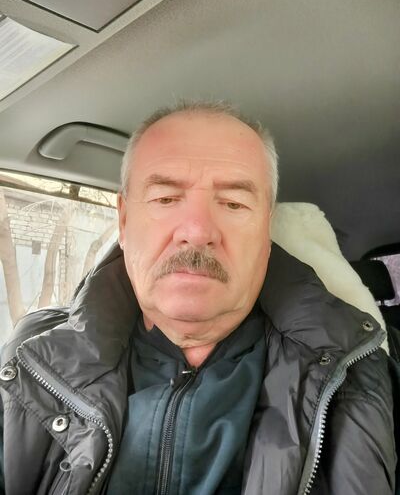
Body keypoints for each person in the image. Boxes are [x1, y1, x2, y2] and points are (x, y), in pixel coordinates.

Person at [0, 101, 396, 495]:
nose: (197, 230)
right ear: (123, 220)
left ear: (266, 232)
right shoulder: (29, 362)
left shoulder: (363, 373)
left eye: (234, 203)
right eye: (165, 199)